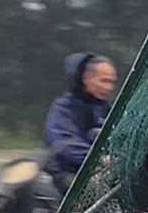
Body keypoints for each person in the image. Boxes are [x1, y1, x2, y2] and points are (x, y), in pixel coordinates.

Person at [45, 52, 116, 189]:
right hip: (67, 172)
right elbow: (64, 144)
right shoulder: (63, 108)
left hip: (100, 170)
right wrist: (99, 160)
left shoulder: (107, 108)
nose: (109, 87)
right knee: (96, 189)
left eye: (112, 82)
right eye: (104, 81)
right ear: (85, 79)